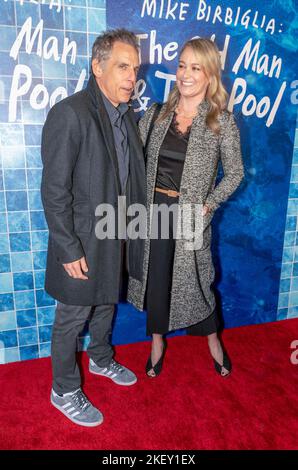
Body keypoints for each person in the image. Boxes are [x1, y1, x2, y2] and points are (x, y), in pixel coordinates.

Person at [41, 29, 145, 426]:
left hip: (115, 232)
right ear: (97, 66)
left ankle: (101, 359)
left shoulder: (126, 116)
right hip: (81, 241)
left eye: (134, 68)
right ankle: (63, 389)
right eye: (122, 66)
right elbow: (54, 191)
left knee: (105, 303)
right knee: (72, 316)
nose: (130, 76)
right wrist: (68, 249)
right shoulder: (70, 113)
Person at [127, 38, 244, 378]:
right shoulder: (156, 114)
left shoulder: (221, 121)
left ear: (209, 75)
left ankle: (213, 343)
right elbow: (134, 161)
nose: (186, 74)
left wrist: (209, 205)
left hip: (192, 216)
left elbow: (235, 173)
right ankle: (157, 342)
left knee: (196, 282)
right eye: (182, 65)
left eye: (196, 67)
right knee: (156, 279)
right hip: (153, 213)